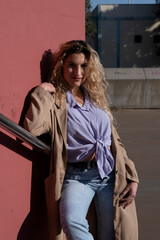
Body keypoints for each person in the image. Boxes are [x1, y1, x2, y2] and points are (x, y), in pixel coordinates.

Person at [23, 40, 139, 240]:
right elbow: (31, 128)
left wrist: (132, 175)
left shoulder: (95, 98)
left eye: (84, 65)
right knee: (71, 220)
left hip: (110, 174)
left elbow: (115, 142)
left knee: (111, 233)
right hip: (77, 176)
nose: (78, 71)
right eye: (71, 65)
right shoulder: (56, 102)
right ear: (62, 66)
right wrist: (41, 92)